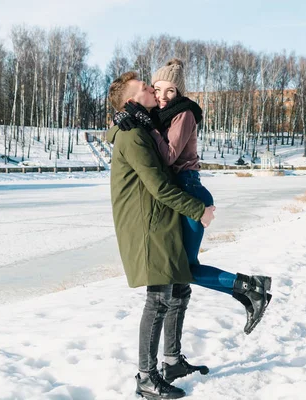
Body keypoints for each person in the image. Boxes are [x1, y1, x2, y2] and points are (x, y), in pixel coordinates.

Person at [113, 59, 273, 347]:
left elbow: (168, 156)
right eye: (156, 88)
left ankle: (251, 288)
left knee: (183, 269)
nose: (161, 96)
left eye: (170, 91)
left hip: (189, 189)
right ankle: (174, 358)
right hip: (182, 192)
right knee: (181, 275)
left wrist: (144, 123)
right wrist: (127, 118)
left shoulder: (183, 113)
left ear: (180, 93)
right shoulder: (159, 116)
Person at [107, 71, 215, 399]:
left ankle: (172, 360)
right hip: (147, 227)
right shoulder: (133, 135)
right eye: (146, 88)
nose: (153, 91)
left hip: (158, 222)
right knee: (157, 300)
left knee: (179, 289)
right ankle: (146, 376)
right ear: (132, 99)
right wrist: (199, 209)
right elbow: (158, 185)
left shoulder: (141, 125)